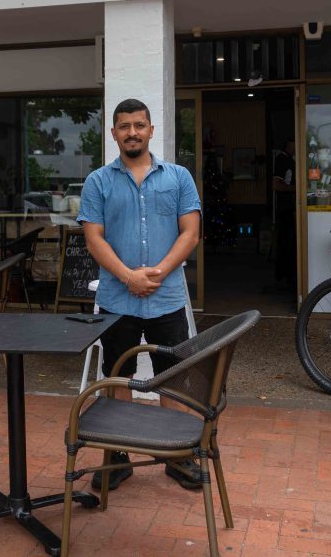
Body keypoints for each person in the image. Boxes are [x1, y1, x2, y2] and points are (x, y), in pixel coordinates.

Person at [78, 98, 202, 491]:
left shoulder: (178, 177)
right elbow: (93, 239)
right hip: (118, 300)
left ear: (151, 130)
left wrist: (160, 273)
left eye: (139, 125)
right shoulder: (97, 181)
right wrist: (128, 277)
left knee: (172, 377)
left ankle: (176, 456)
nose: (132, 132)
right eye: (124, 126)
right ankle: (118, 456)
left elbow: (191, 232)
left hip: (167, 299)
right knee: (117, 376)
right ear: (113, 133)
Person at [270, 139, 297, 292]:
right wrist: (298, 188)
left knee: (290, 242)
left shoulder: (291, 160)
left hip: (290, 208)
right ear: (288, 145)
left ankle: (288, 276)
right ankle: (284, 276)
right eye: (294, 145)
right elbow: (276, 185)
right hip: (285, 208)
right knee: (286, 241)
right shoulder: (282, 160)